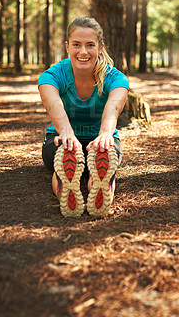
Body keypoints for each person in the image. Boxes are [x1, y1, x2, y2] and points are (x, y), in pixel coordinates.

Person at [38, 16, 129, 218]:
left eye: (90, 45)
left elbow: (114, 107)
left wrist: (105, 134)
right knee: (66, 153)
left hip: (102, 142)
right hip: (60, 139)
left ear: (100, 47)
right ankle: (70, 186)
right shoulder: (53, 75)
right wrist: (67, 134)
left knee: (103, 154)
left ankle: (95, 188)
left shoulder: (116, 78)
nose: (83, 52)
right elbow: (52, 104)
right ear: (67, 46)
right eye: (76, 45)